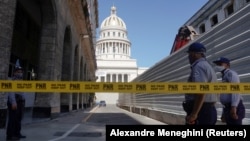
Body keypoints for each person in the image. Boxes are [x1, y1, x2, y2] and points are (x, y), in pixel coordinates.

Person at [182, 42, 218, 125]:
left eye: (189, 54)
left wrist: (194, 114)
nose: (189, 57)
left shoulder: (199, 66)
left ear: (195, 54)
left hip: (202, 111)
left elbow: (200, 92)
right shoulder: (207, 66)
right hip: (208, 109)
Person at [213, 57, 245, 125]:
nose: (218, 66)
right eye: (217, 64)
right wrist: (223, 113)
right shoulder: (224, 76)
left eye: (220, 64)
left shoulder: (231, 74)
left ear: (227, 65)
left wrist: (234, 108)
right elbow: (225, 96)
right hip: (228, 107)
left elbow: (236, 90)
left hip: (235, 107)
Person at [6, 60, 26, 141]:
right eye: (18, 72)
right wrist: (13, 102)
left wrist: (24, 99)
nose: (20, 73)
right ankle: (10, 136)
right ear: (14, 72)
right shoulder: (12, 80)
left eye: (21, 72)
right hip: (14, 101)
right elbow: (11, 92)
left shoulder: (21, 81)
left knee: (18, 119)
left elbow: (23, 92)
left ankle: (17, 133)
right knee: (12, 119)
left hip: (21, 101)